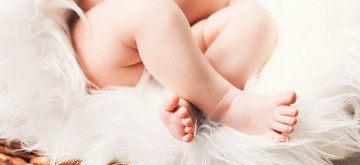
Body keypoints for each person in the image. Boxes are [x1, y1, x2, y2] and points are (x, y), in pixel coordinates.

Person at [71, 0, 298, 143]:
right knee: (152, 11)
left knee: (253, 17)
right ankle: (226, 103)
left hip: (180, 43)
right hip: (108, 43)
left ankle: (196, 102)